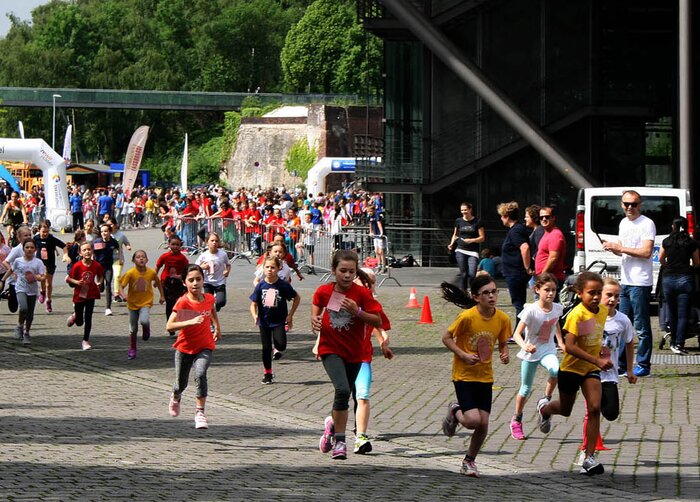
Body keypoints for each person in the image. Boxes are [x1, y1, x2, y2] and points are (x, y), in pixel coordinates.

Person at [536, 271, 611, 476]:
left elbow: (597, 336)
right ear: (579, 293)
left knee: (595, 408)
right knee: (565, 409)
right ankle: (545, 409)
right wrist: (596, 358)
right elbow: (569, 347)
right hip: (571, 369)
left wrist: (603, 352)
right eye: (591, 293)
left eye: (599, 292)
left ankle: (589, 457)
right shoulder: (577, 314)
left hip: (591, 370)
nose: (596, 297)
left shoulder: (602, 311)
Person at [313, 250, 382, 460]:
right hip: (330, 349)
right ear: (334, 271)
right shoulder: (324, 291)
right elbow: (317, 307)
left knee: (346, 395)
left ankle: (332, 425)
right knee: (342, 389)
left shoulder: (362, 295)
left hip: (354, 352)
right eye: (342, 270)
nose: (346, 275)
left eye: (351, 271)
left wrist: (358, 312)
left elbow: (378, 321)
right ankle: (340, 441)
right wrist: (315, 320)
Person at [439, 274, 510, 477]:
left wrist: (504, 353)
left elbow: (503, 341)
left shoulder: (503, 318)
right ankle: (455, 411)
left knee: (484, 423)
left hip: (485, 376)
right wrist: (462, 354)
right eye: (486, 293)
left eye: (494, 291)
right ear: (476, 297)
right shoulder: (467, 317)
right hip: (464, 375)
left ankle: (469, 461)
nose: (491, 296)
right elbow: (446, 337)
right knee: (472, 421)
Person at [602, 190, 656, 377]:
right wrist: (612, 248)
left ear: (640, 205)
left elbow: (646, 252)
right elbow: (623, 252)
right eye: (626, 204)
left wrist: (620, 247)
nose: (629, 207)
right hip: (625, 280)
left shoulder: (647, 223)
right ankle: (622, 365)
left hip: (640, 281)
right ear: (621, 204)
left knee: (641, 326)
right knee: (622, 323)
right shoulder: (623, 223)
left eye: (633, 204)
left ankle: (643, 364)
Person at [509, 273, 565, 441]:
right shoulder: (531, 311)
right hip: (530, 352)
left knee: (556, 370)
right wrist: (525, 345)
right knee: (526, 388)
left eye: (554, 290)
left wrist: (561, 342)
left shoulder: (557, 308)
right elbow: (517, 333)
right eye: (547, 290)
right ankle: (516, 419)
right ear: (537, 289)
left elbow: (555, 325)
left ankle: (545, 400)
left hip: (547, 349)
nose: (551, 293)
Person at [166, 264, 221, 430]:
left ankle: (200, 413)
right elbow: (169, 326)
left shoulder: (209, 298)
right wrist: (190, 322)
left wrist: (217, 326)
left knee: (200, 373)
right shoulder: (183, 302)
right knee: (180, 384)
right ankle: (176, 396)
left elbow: (211, 310)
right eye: (191, 280)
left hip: (205, 345)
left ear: (203, 280)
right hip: (185, 348)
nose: (195, 283)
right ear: (185, 283)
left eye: (198, 279)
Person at [350, 268, 394, 455]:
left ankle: (361, 436)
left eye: (372, 282)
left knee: (362, 396)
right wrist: (320, 344)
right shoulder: (343, 301)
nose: (368, 285)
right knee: (344, 396)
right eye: (364, 281)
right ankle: (333, 427)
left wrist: (384, 342)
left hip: (363, 358)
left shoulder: (372, 304)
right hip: (342, 357)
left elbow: (379, 326)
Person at [249, 256, 300, 384]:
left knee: (281, 345)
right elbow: (253, 303)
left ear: (278, 269)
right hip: (264, 322)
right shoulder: (260, 285)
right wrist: (255, 315)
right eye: (267, 267)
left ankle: (276, 348)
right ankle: (268, 373)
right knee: (266, 348)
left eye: (273, 267)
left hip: (278, 321)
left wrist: (290, 315)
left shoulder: (282, 285)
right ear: (263, 268)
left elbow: (297, 298)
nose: (270, 270)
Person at [599, 278, 637, 425]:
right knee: (593, 408)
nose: (612, 299)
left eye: (616, 296)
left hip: (610, 372)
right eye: (608, 295)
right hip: (590, 371)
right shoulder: (589, 316)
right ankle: (590, 442)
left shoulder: (623, 320)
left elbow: (629, 343)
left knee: (611, 413)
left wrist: (629, 370)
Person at [658, 216, 699, 354]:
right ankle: (679, 343)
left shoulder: (667, 241)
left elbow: (661, 259)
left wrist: (669, 266)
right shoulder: (691, 243)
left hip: (668, 278)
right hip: (685, 278)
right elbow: (697, 262)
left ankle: (673, 341)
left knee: (671, 312)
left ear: (673, 227)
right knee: (683, 315)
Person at [119, 250, 165, 360]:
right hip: (132, 303)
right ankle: (132, 348)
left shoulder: (151, 273)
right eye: (138, 257)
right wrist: (123, 295)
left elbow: (158, 283)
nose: (141, 259)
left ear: (147, 260)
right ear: (133, 260)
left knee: (144, 320)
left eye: (143, 257)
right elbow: (121, 285)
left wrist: (162, 296)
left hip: (146, 302)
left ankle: (146, 328)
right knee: (133, 329)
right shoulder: (130, 273)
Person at [2, 239, 45, 345]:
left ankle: (26, 333)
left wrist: (35, 277)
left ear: (35, 249)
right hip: (20, 288)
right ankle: (20, 325)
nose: (29, 250)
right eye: (27, 247)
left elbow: (43, 277)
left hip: (32, 291)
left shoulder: (38, 262)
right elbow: (11, 270)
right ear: (23, 249)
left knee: (30, 314)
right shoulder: (18, 261)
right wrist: (2, 280)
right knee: (23, 308)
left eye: (32, 248)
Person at [66, 242, 104, 350]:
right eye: (84, 250)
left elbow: (101, 276)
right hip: (79, 295)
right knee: (79, 322)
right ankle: (75, 316)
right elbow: (69, 279)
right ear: (80, 253)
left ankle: (85, 341)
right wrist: (77, 282)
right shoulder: (77, 266)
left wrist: (99, 282)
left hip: (91, 294)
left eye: (89, 249)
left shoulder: (96, 265)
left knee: (88, 317)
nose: (87, 252)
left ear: (92, 251)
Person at [497, 202, 531, 321]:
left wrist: (527, 267)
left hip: (516, 272)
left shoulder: (515, 231)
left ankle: (518, 332)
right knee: (519, 303)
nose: (501, 219)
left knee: (518, 304)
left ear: (506, 216)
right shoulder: (517, 229)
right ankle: (519, 331)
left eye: (501, 216)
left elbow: (524, 247)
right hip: (514, 272)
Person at [156, 235, 191, 337]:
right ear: (169, 244)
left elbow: (186, 270)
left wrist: (183, 278)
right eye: (173, 244)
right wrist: (155, 278)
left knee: (180, 305)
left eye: (177, 245)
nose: (175, 247)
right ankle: (170, 326)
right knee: (169, 306)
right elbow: (158, 266)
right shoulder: (164, 256)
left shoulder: (182, 258)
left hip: (179, 284)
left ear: (180, 245)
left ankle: (180, 324)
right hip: (166, 283)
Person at [448, 202, 486, 291]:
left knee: (472, 275)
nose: (463, 212)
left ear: (470, 210)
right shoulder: (458, 221)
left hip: (473, 251)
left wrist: (471, 240)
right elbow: (455, 234)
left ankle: (474, 294)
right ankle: (463, 294)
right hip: (460, 249)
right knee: (464, 274)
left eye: (465, 210)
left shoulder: (478, 221)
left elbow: (482, 238)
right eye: (462, 210)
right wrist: (451, 243)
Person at [33, 221, 66, 313]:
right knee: (42, 280)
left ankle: (48, 301)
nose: (45, 234)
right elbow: (29, 248)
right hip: (40, 263)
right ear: (39, 230)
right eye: (43, 232)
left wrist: (65, 254)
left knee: (49, 283)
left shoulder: (52, 239)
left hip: (50, 262)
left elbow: (64, 246)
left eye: (47, 231)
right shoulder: (35, 239)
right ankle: (42, 291)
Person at [1, 225, 34, 315]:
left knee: (25, 304)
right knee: (13, 307)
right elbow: (5, 262)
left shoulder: (33, 248)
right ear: (19, 238)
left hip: (27, 281)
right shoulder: (16, 250)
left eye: (29, 235)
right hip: (14, 282)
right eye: (25, 235)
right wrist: (13, 272)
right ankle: (8, 295)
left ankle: (24, 318)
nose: (28, 237)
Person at [196, 232, 230, 312]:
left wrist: (227, 271)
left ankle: (216, 308)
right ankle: (210, 321)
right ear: (207, 242)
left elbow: (228, 264)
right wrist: (202, 267)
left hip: (220, 282)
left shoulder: (223, 254)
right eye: (212, 240)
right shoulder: (203, 255)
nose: (214, 243)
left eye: (216, 241)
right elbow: (195, 267)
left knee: (221, 302)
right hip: (207, 282)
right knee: (208, 303)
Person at [535, 206, 567, 291]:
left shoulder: (555, 234)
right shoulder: (547, 233)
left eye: (547, 217)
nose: (544, 219)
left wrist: (542, 276)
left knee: (550, 304)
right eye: (541, 217)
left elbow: (553, 258)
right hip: (546, 279)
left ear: (553, 218)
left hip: (551, 280)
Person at [92, 223, 122, 316]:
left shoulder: (113, 242)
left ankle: (108, 308)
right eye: (102, 232)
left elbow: (119, 248)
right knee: (100, 288)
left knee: (108, 284)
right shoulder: (97, 241)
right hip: (98, 267)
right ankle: (100, 287)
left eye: (105, 231)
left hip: (109, 266)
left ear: (110, 232)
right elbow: (92, 251)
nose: (104, 233)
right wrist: (92, 259)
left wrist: (120, 258)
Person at [367, 205, 388, 273]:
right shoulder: (370, 216)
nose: (369, 213)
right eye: (368, 211)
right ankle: (379, 265)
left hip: (379, 235)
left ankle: (384, 266)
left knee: (381, 251)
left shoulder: (377, 215)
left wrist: (381, 232)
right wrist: (371, 232)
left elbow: (379, 223)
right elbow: (370, 224)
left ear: (373, 210)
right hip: (375, 235)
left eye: (370, 211)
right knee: (376, 251)